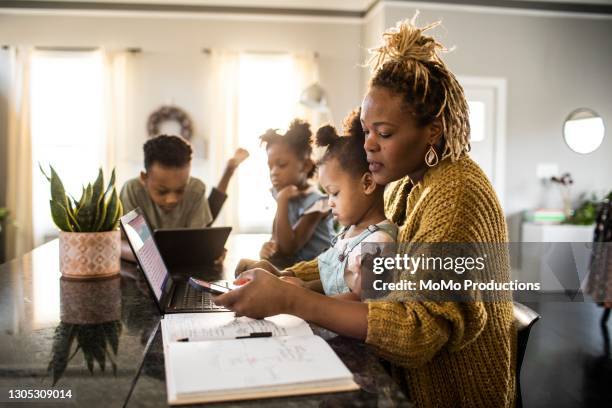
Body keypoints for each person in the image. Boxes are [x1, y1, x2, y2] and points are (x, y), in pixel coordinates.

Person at [216, 15, 515, 408]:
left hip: (450, 393)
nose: (369, 145)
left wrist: (293, 300)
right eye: (366, 129)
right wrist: (285, 277)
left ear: (434, 131)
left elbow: (417, 332)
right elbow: (351, 255)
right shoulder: (406, 185)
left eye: (385, 133)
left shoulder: (455, 193)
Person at [248, 109, 397, 300]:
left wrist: (299, 297)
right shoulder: (349, 234)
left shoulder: (379, 242)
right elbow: (333, 281)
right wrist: (303, 286)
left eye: (334, 193)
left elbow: (361, 303)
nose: (329, 202)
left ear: (367, 184)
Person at [120, 134, 248, 261]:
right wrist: (154, 257)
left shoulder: (196, 188)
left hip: (185, 252)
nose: (172, 199)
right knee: (211, 212)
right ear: (144, 178)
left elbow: (198, 240)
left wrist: (210, 250)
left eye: (180, 190)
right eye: (162, 191)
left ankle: (229, 170)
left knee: (208, 217)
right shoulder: (132, 190)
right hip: (146, 270)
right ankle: (229, 170)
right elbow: (119, 244)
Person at [258, 119, 334, 268]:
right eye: (270, 166)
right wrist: (268, 248)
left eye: (281, 165)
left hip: (318, 273)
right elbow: (277, 240)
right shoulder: (283, 195)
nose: (274, 172)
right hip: (292, 270)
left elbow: (288, 248)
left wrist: (282, 201)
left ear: (305, 166)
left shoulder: (318, 202)